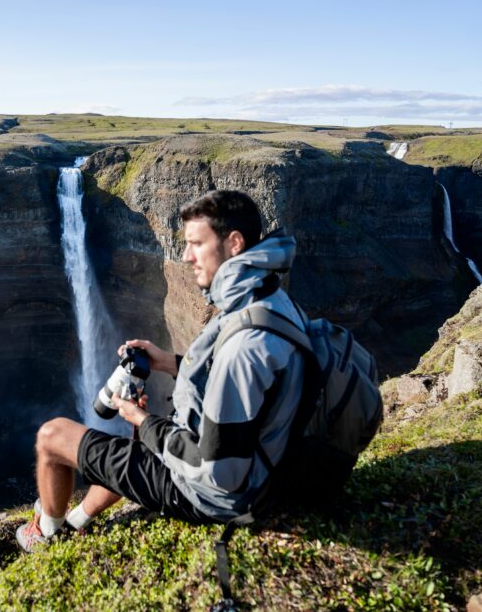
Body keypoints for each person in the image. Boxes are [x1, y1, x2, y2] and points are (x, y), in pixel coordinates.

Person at [17, 190, 306, 551]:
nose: (185, 257)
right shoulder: (270, 300)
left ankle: (44, 534)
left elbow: (216, 469)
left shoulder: (244, 344)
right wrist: (167, 362)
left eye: (196, 244)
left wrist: (143, 421)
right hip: (264, 464)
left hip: (214, 494)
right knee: (128, 451)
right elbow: (240, 380)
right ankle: (76, 521)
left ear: (234, 243)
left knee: (51, 435)